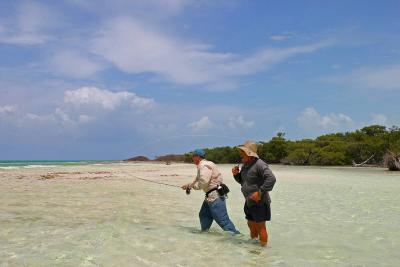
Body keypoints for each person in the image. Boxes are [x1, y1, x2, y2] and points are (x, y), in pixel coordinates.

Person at [181, 149, 240, 234]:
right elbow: (199, 179)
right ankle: (205, 234)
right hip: (211, 195)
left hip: (214, 196)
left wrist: (194, 186)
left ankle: (238, 239)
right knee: (204, 215)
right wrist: (189, 185)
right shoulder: (206, 164)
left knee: (223, 221)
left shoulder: (204, 166)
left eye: (193, 156)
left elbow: (204, 182)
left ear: (197, 157)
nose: (192, 158)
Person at [232, 141, 276, 246]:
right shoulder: (245, 165)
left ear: (249, 154)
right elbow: (244, 182)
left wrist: (260, 193)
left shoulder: (260, 164)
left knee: (260, 227)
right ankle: (254, 247)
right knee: (251, 224)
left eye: (243, 152)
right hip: (249, 201)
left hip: (260, 202)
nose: (241, 154)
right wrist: (236, 175)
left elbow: (271, 179)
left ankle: (263, 251)